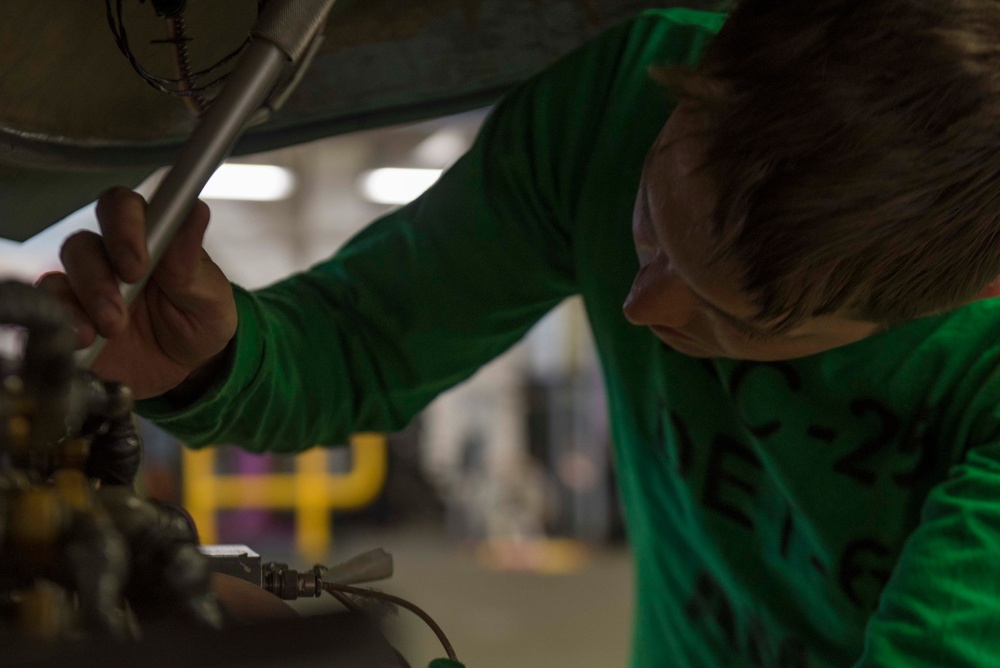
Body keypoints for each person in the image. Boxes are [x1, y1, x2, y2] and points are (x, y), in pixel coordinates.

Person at [38, 1, 1000, 665]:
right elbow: (365, 338)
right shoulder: (620, 99)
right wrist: (219, 357)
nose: (640, 308)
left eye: (735, 315)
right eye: (651, 219)